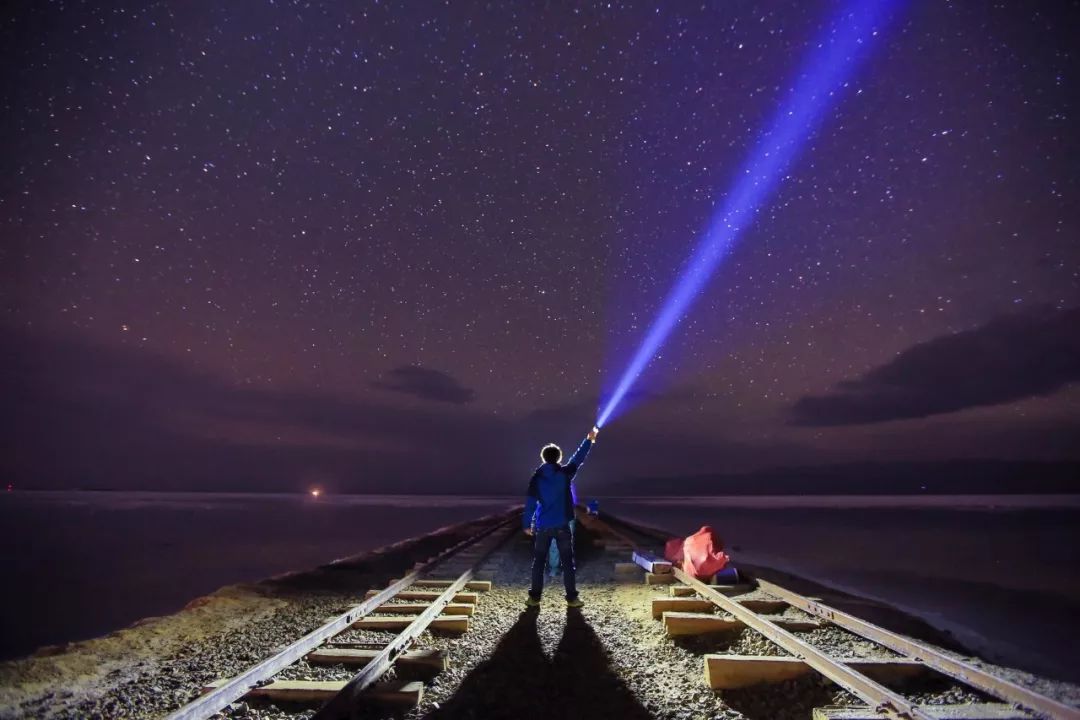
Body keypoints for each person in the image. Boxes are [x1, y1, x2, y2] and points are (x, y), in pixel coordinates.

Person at [524, 426, 599, 608]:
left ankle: (534, 598)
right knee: (567, 563)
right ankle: (572, 599)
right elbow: (578, 459)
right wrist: (589, 440)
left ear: (544, 458)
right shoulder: (565, 474)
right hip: (562, 525)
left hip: (543, 526)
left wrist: (527, 524)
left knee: (539, 562)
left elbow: (531, 503)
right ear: (558, 458)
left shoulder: (537, 478)